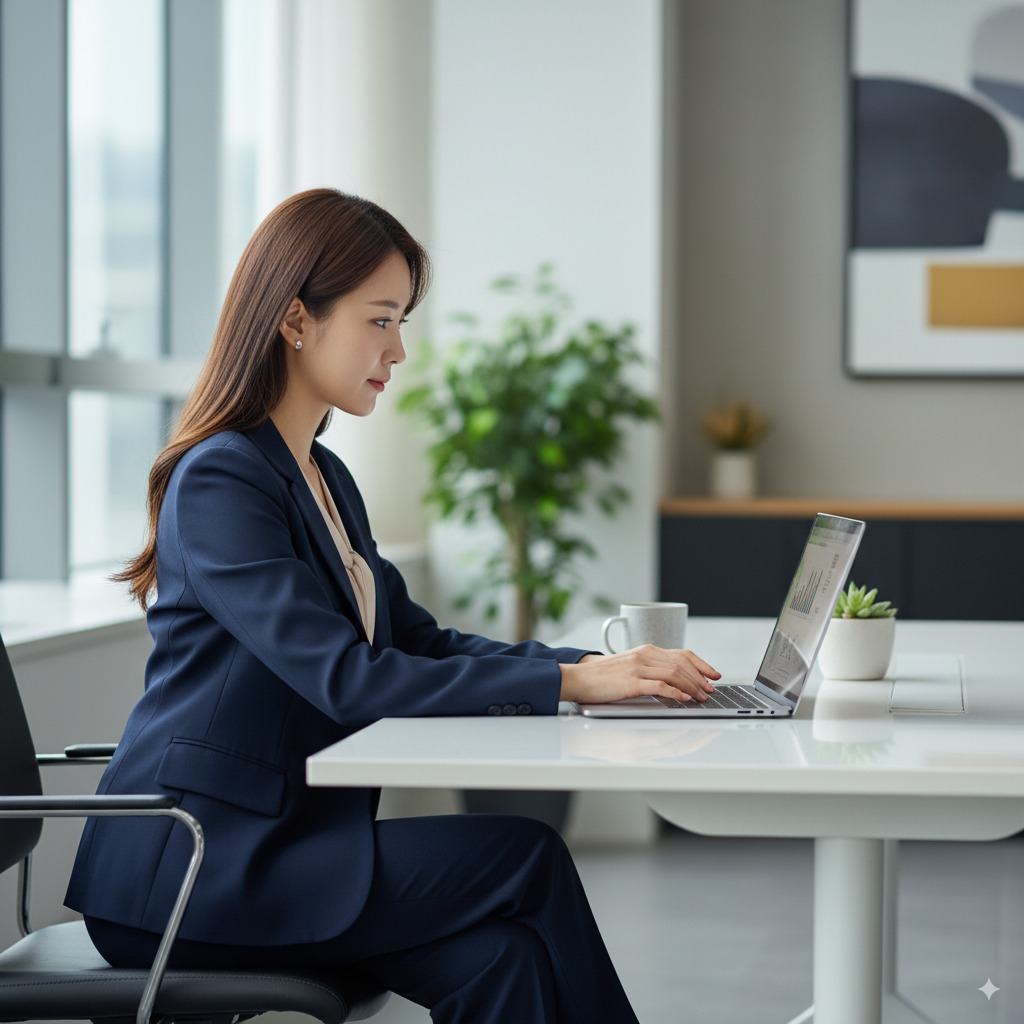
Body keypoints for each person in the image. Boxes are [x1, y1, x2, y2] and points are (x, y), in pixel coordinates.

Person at [65, 188, 720, 1023]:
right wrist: (575, 688)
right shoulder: (222, 478)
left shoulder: (323, 477)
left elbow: (422, 641)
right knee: (527, 853)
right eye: (381, 319)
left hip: (288, 846)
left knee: (503, 961)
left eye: (401, 320)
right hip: (198, 870)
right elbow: (347, 679)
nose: (400, 349)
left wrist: (589, 668)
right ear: (297, 319)